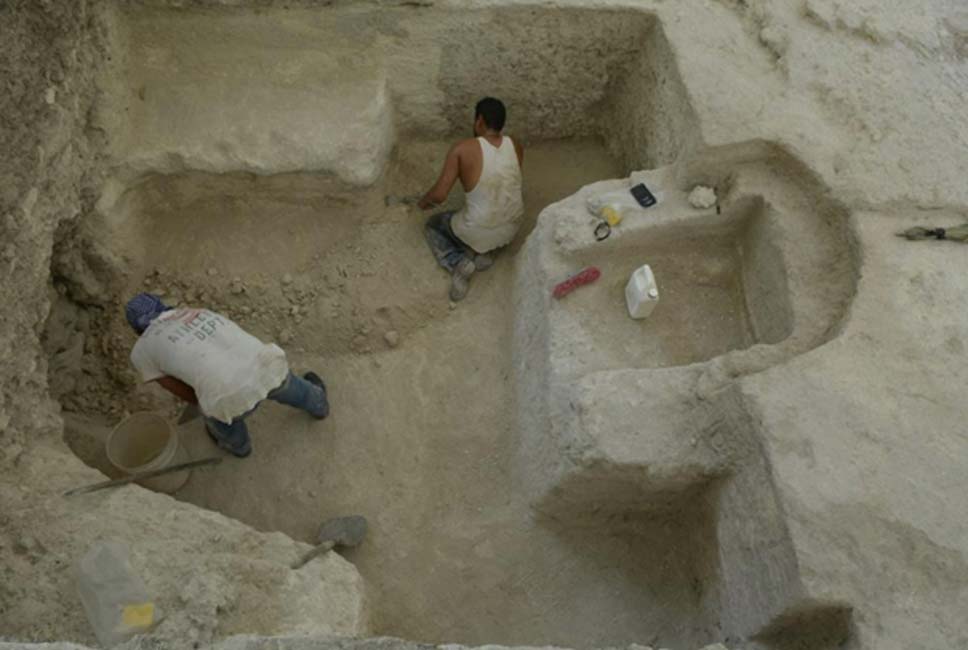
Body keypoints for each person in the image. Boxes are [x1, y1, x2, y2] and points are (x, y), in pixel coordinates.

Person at [124, 292, 329, 458]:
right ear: (162, 307)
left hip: (229, 397)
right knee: (287, 385)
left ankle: (238, 446)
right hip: (266, 361)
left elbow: (176, 388)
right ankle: (318, 404)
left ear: (137, 330)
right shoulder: (192, 311)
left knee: (216, 414)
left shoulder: (141, 351)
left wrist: (206, 405)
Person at [418, 97, 524, 301]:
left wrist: (422, 203)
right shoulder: (516, 145)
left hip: (476, 230)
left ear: (480, 121)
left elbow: (439, 196)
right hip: (512, 227)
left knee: (434, 225)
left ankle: (456, 262)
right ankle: (489, 253)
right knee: (497, 216)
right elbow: (509, 184)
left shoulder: (462, 149)